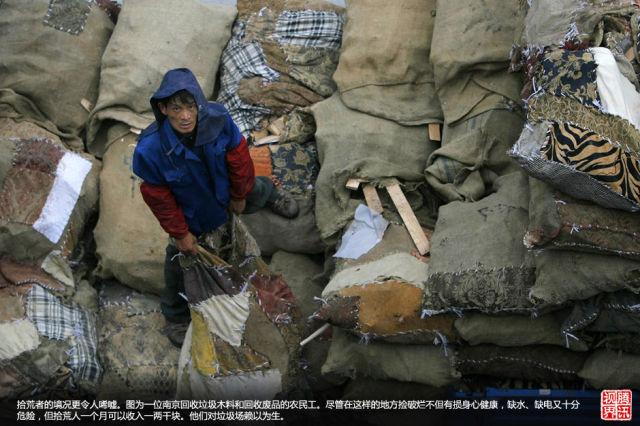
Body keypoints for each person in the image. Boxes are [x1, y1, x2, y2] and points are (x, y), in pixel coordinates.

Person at [132, 68, 298, 347]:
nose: (185, 116)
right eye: (176, 108)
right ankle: (175, 316)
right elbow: (158, 197)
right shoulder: (150, 149)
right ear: (163, 109)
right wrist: (180, 232)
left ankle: (272, 195)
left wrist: (239, 193)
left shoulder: (218, 119)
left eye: (190, 107)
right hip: (194, 210)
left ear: (199, 105)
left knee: (254, 188)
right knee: (179, 260)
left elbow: (238, 157)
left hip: (226, 190)